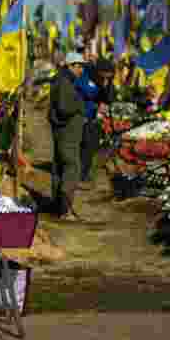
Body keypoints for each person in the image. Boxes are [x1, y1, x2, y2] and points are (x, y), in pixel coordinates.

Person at [48, 52, 89, 221]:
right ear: (70, 66)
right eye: (79, 66)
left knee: (60, 167)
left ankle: (59, 208)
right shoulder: (64, 82)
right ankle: (66, 209)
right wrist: (79, 107)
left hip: (64, 133)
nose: (81, 70)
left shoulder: (63, 81)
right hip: (67, 135)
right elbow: (64, 108)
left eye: (82, 66)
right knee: (72, 167)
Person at [77, 56, 116, 185]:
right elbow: (85, 91)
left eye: (108, 77)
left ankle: (84, 173)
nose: (105, 79)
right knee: (82, 144)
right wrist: (99, 89)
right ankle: (77, 174)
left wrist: (107, 87)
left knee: (91, 145)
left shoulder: (107, 81)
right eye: (103, 76)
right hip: (81, 115)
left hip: (95, 117)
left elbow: (109, 98)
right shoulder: (85, 75)